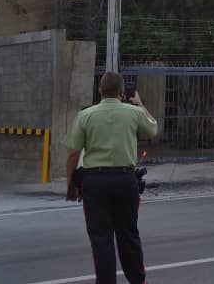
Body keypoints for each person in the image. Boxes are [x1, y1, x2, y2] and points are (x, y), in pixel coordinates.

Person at [66, 72, 158, 284]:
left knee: (101, 240)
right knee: (129, 235)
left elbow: (72, 153)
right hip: (126, 182)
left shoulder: (86, 115)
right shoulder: (133, 113)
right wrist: (140, 104)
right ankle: (137, 281)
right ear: (121, 92)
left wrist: (71, 185)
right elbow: (152, 128)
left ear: (99, 91)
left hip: (94, 184)